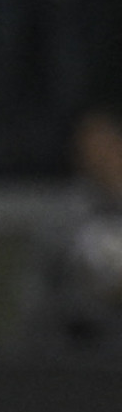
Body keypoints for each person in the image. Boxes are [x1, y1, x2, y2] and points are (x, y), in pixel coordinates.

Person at [24, 105, 122, 353]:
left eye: (106, 145)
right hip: (80, 341)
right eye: (89, 147)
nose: (98, 155)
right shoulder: (63, 215)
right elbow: (38, 290)